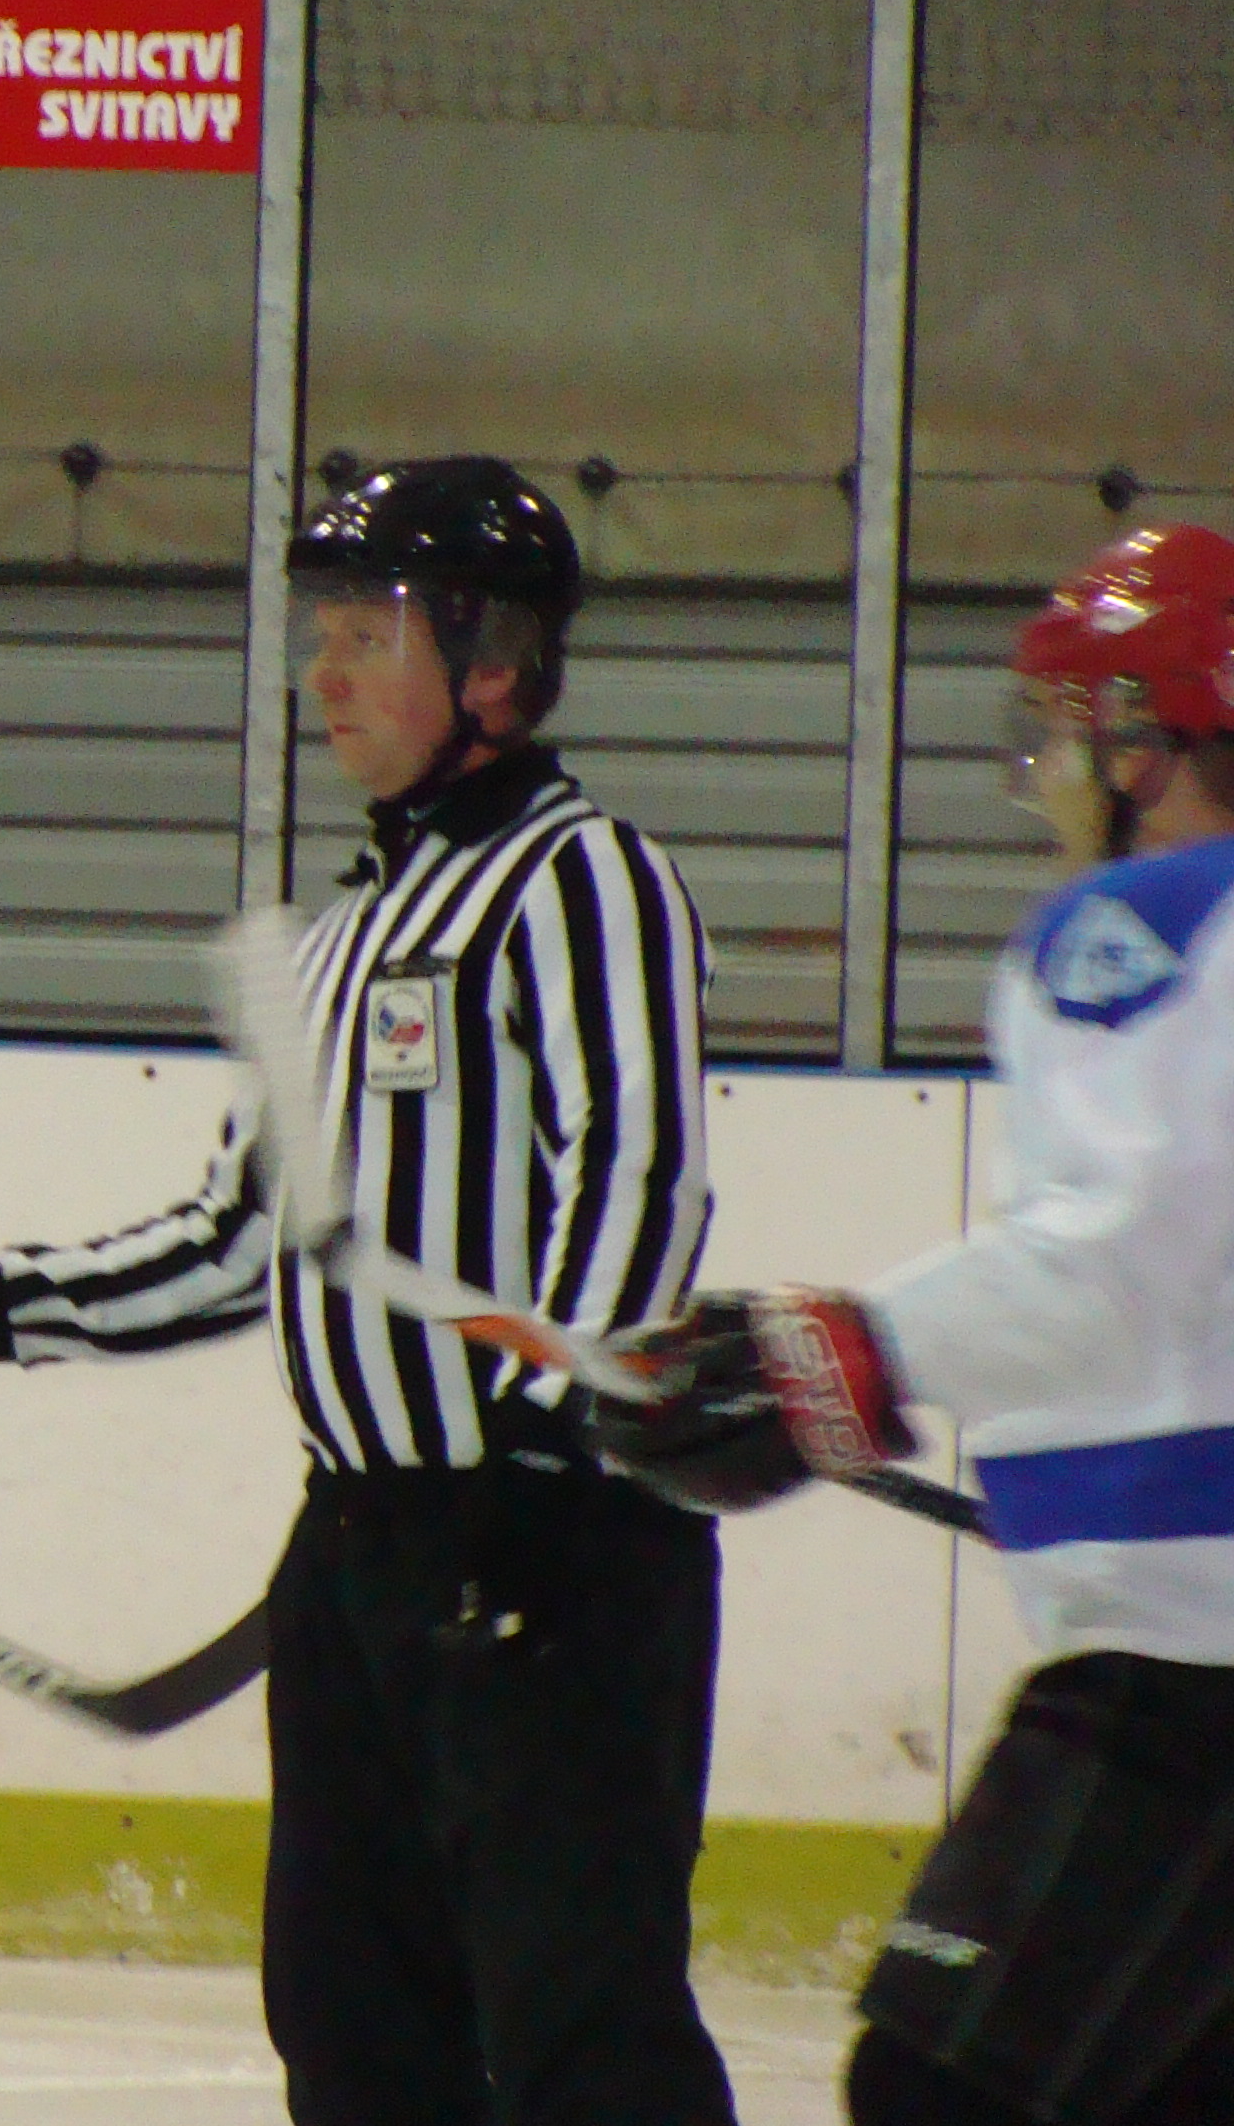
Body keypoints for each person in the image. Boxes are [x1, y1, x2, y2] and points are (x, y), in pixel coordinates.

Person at [0, 458, 732, 2125]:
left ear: (492, 662)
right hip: (361, 1548)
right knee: (351, 2028)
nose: (324, 671)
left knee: (582, 2031)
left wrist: (544, 1443)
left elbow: (635, 1177)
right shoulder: (336, 936)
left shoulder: (584, 879)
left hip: (554, 1551)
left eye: (369, 632)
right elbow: (236, 1242)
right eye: (322, 630)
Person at [593, 521, 1234, 2126]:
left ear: (1148, 745)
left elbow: (1120, 1259)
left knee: (945, 2087)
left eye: (1074, 735)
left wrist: (836, 1358)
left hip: (1190, 1668)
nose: (1054, 778)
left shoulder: (1157, 925)